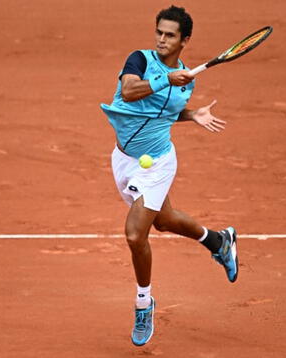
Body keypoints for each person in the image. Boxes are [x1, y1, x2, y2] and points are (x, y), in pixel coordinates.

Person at [100, 5, 239, 346]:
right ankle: (219, 241)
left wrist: (190, 114)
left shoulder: (186, 83)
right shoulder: (140, 60)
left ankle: (143, 303)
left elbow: (163, 115)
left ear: (184, 40)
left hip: (158, 162)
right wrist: (166, 79)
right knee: (163, 221)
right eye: (159, 32)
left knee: (136, 235)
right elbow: (131, 92)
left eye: (170, 35)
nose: (162, 39)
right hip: (125, 160)